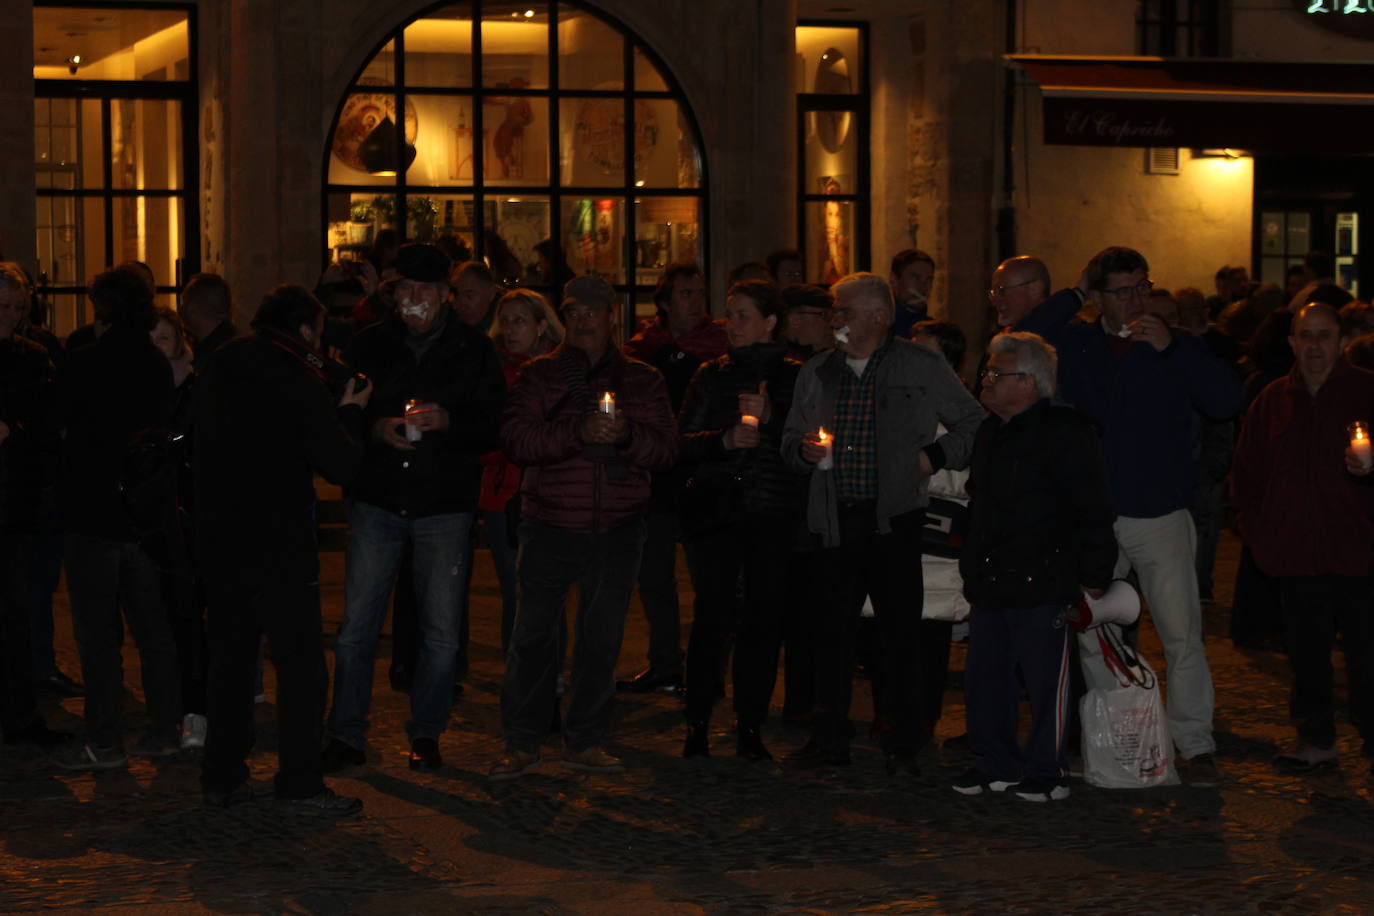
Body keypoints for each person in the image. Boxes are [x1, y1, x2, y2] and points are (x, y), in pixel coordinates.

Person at [1020, 246, 1242, 787]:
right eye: (1123, 291)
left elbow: (1225, 399)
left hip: (1161, 512)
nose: (1137, 300)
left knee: (1181, 633)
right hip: (1096, 516)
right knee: (1096, 634)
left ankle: (1195, 741)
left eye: (1142, 286)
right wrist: (1072, 292)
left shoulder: (1176, 346)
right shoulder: (1076, 343)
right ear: (1099, 298)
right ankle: (1125, 737)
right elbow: (1022, 337)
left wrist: (1173, 352)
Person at [781, 272, 983, 774]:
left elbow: (974, 422)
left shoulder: (920, 366)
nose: (836, 321)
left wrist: (932, 457)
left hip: (895, 520)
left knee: (899, 634)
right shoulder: (819, 371)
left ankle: (903, 737)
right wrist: (804, 452)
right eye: (834, 311)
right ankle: (830, 737)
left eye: (844, 311)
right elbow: (788, 441)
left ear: (878, 316)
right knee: (832, 634)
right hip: (834, 519)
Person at [322, 243, 504, 773]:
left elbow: (494, 423)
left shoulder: (473, 350)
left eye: (425, 290)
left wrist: (449, 422)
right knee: (357, 627)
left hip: (442, 504)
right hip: (380, 500)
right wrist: (376, 429)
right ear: (393, 293)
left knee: (441, 633)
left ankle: (426, 732)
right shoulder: (370, 345)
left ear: (446, 296)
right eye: (406, 289)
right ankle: (347, 733)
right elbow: (345, 416)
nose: (415, 299)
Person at [489, 275, 678, 779]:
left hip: (617, 528)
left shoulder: (643, 380)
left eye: (593, 311)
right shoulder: (539, 376)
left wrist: (628, 437)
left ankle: (587, 739)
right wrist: (577, 433)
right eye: (574, 311)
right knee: (533, 638)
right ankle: (522, 741)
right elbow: (517, 440)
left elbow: (666, 450)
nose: (583, 319)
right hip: (550, 522)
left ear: (611, 316)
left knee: (601, 641)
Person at [196, 284, 371, 813]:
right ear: (304, 331)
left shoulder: (225, 360)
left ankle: (222, 775)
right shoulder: (298, 375)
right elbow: (340, 464)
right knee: (300, 668)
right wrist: (354, 412)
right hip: (279, 543)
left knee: (230, 661)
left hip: (221, 536)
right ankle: (299, 780)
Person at [952, 332, 1116, 802]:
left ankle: (1049, 769)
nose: (984, 382)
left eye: (994, 374)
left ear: (1027, 382)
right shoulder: (990, 431)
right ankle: (996, 761)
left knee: (1047, 681)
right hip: (992, 576)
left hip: (1043, 576)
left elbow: (1093, 505)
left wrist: (1094, 575)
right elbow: (980, 503)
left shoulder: (1065, 432)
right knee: (986, 677)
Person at [1231, 303, 1374, 773]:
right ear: (1291, 342)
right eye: (1305, 336)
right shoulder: (1273, 399)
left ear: (1340, 341)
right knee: (1307, 655)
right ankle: (1316, 739)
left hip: (1359, 552)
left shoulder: (1365, 392)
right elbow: (1247, 474)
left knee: (1366, 656)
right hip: (1295, 553)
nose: (1314, 346)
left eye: (1324, 335)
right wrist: (1261, 534)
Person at [51, 266, 182, 770]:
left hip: (91, 513)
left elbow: (55, 426)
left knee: (99, 636)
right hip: (140, 515)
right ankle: (164, 728)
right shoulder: (152, 364)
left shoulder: (82, 364)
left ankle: (106, 740)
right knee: (152, 629)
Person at [677, 280, 804, 761]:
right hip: (718, 511)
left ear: (771, 322)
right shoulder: (711, 374)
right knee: (712, 615)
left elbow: (804, 444)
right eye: (730, 314)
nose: (733, 324)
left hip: (772, 512)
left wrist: (773, 418)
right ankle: (698, 721)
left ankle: (750, 724)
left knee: (762, 621)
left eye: (744, 315)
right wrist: (723, 442)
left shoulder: (796, 376)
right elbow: (682, 440)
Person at [618, 262, 728, 694]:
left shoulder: (715, 346)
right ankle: (665, 662)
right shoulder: (645, 348)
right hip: (658, 475)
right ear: (664, 301)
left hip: (701, 472)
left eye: (699, 292)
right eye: (686, 293)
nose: (696, 301)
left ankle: (707, 671)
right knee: (656, 576)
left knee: (708, 579)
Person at [0, 263, 67, 750]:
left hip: (14, 503)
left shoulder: (32, 357)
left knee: (16, 612)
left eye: (18, 307)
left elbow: (48, 430)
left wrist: (14, 433)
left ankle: (19, 714)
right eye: (4, 307)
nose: (11, 315)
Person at [482, 288, 564, 652]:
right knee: (514, 590)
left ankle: (554, 670)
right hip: (505, 495)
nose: (511, 330)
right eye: (505, 321)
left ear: (542, 325)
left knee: (550, 589)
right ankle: (519, 672)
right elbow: (482, 440)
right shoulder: (491, 374)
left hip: (553, 495)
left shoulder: (563, 373)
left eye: (520, 321)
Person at [149, 306, 208, 750]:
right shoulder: (138, 392)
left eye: (165, 339)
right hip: (150, 522)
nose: (157, 349)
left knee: (189, 619)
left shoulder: (196, 389)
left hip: (191, 520)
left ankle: (196, 711)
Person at [178, 273, 237, 374]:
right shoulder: (237, 343)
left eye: (184, 302)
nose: (180, 309)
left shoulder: (214, 358)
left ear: (192, 309)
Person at [778, 283, 834, 362]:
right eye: (823, 314)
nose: (833, 322)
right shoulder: (779, 363)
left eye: (833, 316)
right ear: (795, 320)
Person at [888, 249, 935, 339]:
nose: (923, 287)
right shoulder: (881, 328)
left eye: (929, 280)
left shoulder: (934, 332)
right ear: (894, 279)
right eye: (915, 278)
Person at [451, 260, 502, 331]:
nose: (462, 306)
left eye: (469, 296)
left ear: (491, 294)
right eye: (457, 297)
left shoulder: (506, 327)